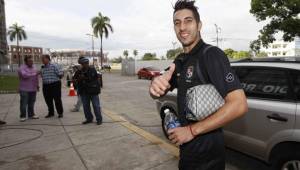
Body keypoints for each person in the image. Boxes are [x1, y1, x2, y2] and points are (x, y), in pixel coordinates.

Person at [149, 1, 248, 169]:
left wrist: (191, 131)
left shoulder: (211, 55)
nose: (182, 27)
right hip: (188, 153)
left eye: (188, 21)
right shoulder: (180, 60)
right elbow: (157, 93)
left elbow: (239, 104)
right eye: (177, 23)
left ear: (199, 25)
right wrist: (154, 85)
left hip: (208, 157)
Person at [77, 57, 102, 125]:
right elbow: (75, 79)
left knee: (96, 106)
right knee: (86, 106)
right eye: (82, 64)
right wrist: (79, 79)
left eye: (84, 64)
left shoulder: (92, 69)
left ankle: (99, 119)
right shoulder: (80, 70)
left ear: (87, 63)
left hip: (93, 91)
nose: (83, 65)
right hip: (84, 92)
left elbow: (92, 78)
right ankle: (89, 119)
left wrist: (83, 78)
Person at [17, 56, 39, 122]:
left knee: (31, 103)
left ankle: (31, 114)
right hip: (24, 89)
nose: (31, 62)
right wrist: (35, 73)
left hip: (33, 88)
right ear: (26, 62)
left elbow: (36, 77)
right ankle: (23, 116)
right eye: (30, 61)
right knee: (24, 103)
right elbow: (24, 75)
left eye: (32, 61)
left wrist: (37, 85)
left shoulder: (34, 67)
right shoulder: (21, 68)